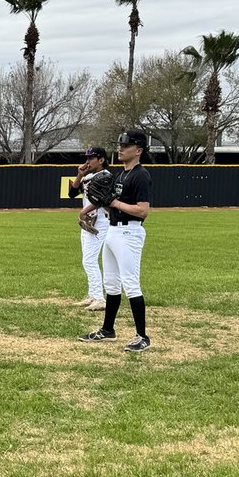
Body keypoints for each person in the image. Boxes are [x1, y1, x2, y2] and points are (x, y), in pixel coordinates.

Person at [79, 130, 153, 352]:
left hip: (130, 233)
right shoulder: (120, 175)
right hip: (112, 230)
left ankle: (142, 336)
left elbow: (142, 211)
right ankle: (108, 329)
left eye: (126, 145)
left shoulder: (141, 175)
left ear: (138, 150)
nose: (120, 148)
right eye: (120, 145)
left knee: (130, 284)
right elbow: (106, 199)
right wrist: (86, 210)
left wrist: (115, 203)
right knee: (111, 284)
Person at [68, 147, 113, 312]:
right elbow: (72, 193)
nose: (87, 161)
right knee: (86, 259)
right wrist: (79, 174)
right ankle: (93, 295)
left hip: (100, 220)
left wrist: (83, 211)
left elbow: (102, 200)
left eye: (91, 158)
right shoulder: (88, 176)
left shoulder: (106, 176)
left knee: (89, 259)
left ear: (101, 160)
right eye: (87, 158)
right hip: (89, 220)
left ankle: (100, 299)